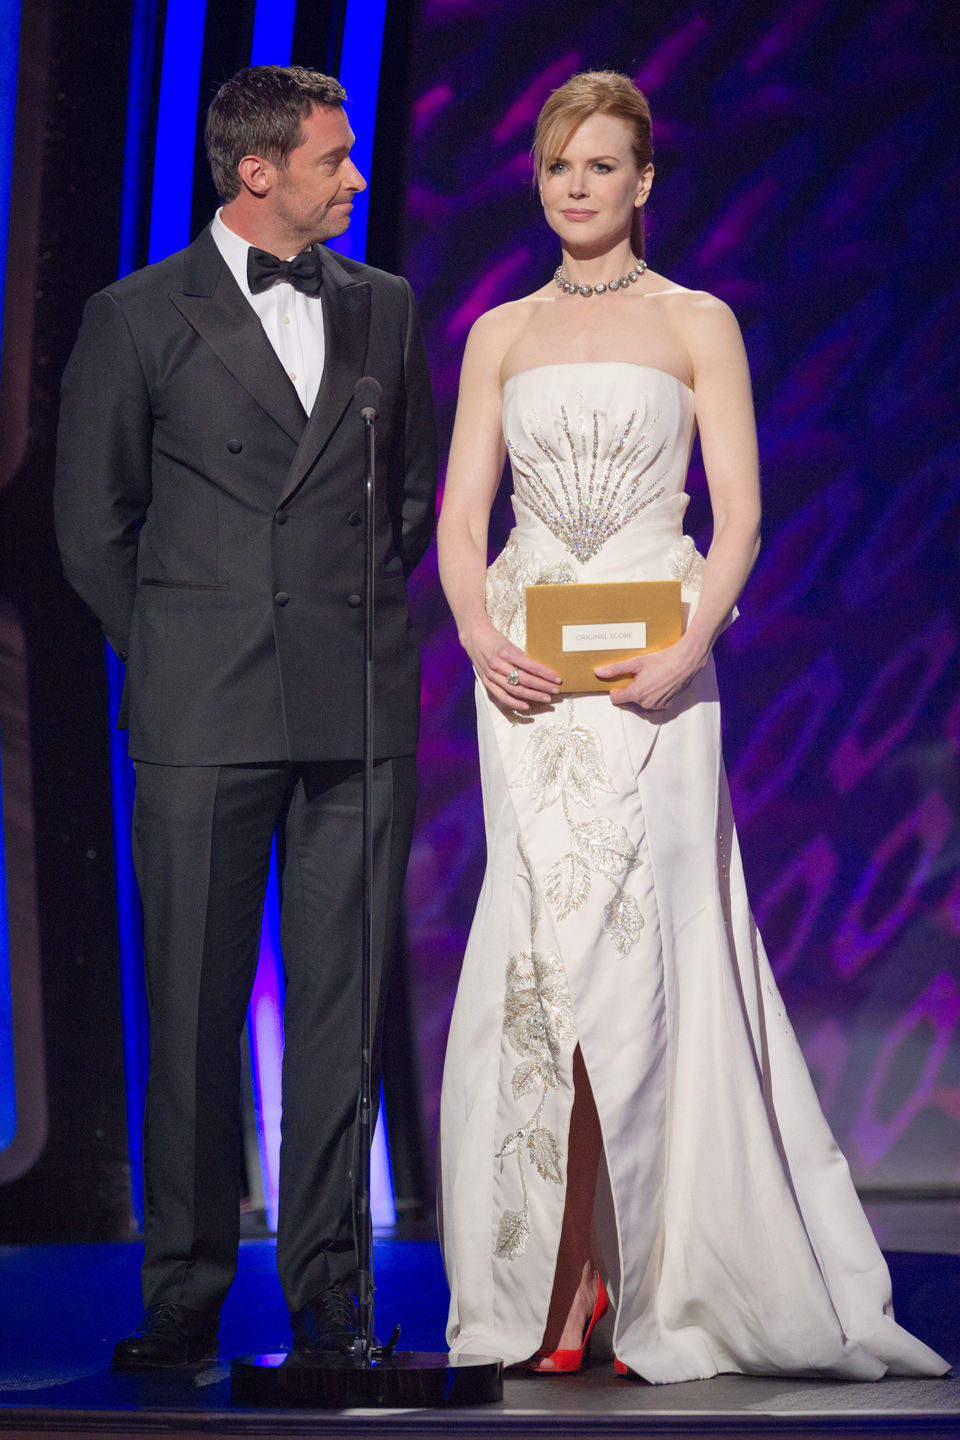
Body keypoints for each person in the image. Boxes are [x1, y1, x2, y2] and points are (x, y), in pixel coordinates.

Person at [436, 70, 947, 1383]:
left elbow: (744, 517)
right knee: (541, 963)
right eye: (558, 167)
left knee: (647, 956)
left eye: (601, 166)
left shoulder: (699, 321)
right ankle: (553, 1284)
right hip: (531, 688)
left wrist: (690, 648)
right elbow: (459, 517)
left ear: (646, 181)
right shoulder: (497, 332)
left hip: (657, 679)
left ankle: (660, 1270)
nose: (576, 188)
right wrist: (476, 634)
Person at [55, 65, 436, 1367]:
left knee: (341, 1017)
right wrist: (175, 647)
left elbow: (406, 504)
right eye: (337, 157)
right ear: (257, 171)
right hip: (203, 710)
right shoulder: (136, 314)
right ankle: (186, 1289)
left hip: (358, 704)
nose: (359, 176)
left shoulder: (384, 310)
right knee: (196, 1012)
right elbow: (90, 526)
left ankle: (332, 1292)